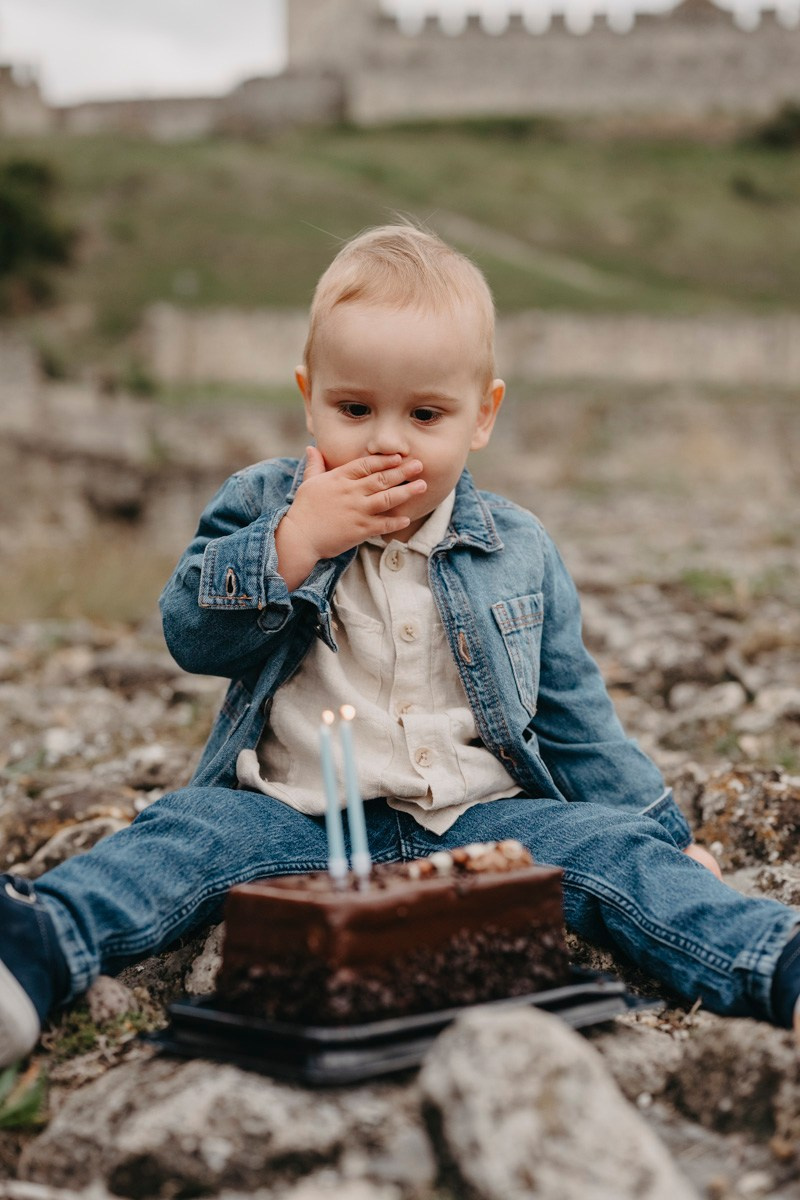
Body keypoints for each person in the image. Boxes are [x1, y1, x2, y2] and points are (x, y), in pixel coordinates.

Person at [2, 224, 799, 1070]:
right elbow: (189, 634)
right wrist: (291, 546)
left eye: (425, 415)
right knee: (179, 837)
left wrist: (667, 839)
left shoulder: (517, 548)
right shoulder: (264, 505)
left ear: (481, 415)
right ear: (310, 399)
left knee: (614, 858)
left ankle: (772, 962)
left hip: (481, 822)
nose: (387, 440)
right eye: (354, 410)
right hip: (293, 814)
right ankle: (35, 949)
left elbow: (575, 719)